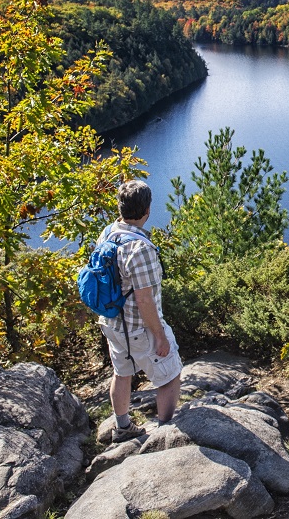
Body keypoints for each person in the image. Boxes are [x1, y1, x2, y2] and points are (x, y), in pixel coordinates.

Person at [98, 179, 182, 443]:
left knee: (122, 372)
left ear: (121, 207)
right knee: (169, 376)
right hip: (138, 327)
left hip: (112, 323)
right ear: (147, 210)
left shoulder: (108, 234)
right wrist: (159, 336)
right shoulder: (140, 248)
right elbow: (144, 300)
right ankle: (165, 434)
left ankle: (122, 428)